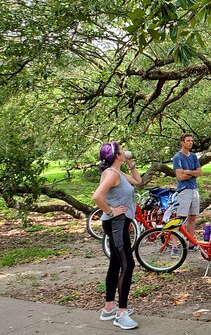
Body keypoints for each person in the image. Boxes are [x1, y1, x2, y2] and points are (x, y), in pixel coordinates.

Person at [92, 141, 141, 330]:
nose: (124, 150)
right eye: (121, 149)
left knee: (115, 263)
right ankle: (121, 313)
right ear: (116, 155)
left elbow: (138, 181)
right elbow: (97, 196)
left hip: (117, 223)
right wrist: (112, 212)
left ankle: (109, 308)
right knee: (128, 264)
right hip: (117, 223)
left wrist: (131, 164)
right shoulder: (112, 174)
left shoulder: (117, 172)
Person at [172, 133, 203, 255]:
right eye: (188, 140)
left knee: (193, 217)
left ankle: (191, 243)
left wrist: (188, 171)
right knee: (180, 218)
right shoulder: (177, 157)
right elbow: (180, 177)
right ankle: (174, 245)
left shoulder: (194, 156)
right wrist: (193, 172)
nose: (191, 142)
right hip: (184, 190)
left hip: (194, 189)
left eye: (192, 140)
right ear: (182, 142)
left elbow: (200, 172)